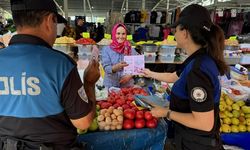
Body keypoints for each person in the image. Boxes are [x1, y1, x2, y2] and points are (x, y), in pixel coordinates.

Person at [0, 0, 100, 149]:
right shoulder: (60, 64)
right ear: (49, 21)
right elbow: (83, 122)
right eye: (56, 23)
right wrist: (89, 83)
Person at [142, 4, 227, 150]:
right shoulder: (198, 60)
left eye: (176, 30)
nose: (174, 34)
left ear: (185, 32)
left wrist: (167, 113)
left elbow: (204, 124)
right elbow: (173, 76)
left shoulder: (198, 70)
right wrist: (149, 73)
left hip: (195, 144)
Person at [101, 23, 137, 89]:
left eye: (123, 34)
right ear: (114, 34)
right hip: (110, 85)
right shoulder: (106, 49)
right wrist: (116, 67)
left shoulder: (131, 49)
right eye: (118, 33)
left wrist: (130, 76)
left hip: (127, 85)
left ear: (126, 35)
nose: (121, 36)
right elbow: (106, 68)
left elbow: (137, 66)